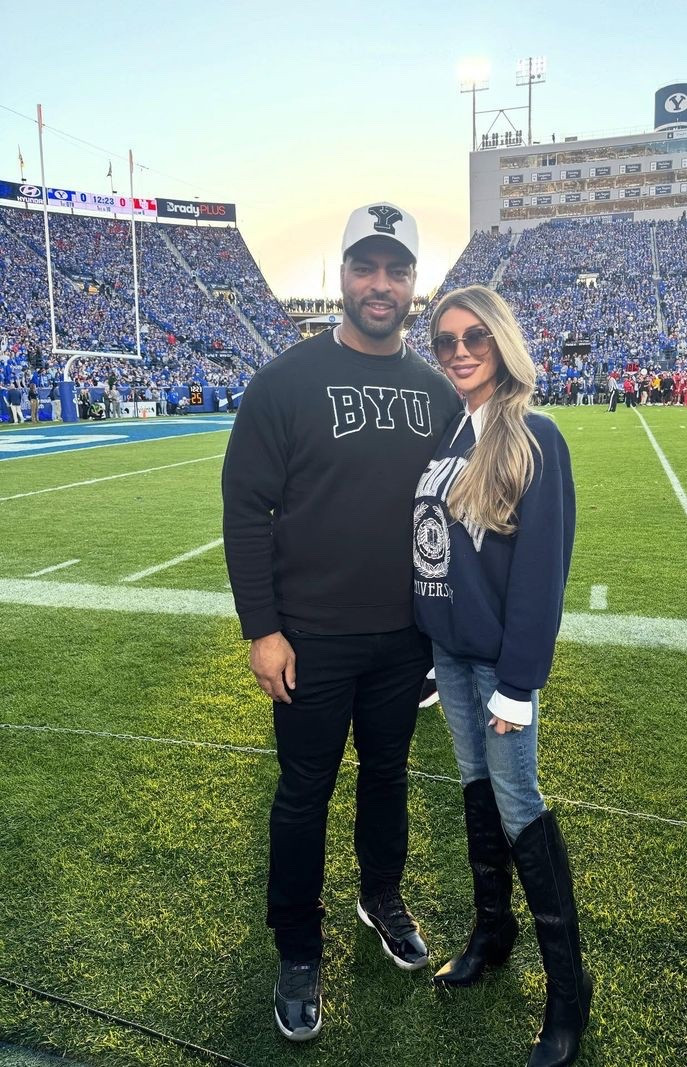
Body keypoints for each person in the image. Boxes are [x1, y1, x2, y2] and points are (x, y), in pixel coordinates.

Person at [222, 202, 462, 1043]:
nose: (381, 285)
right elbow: (247, 508)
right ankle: (296, 944)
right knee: (302, 794)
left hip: (403, 639)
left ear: (414, 284)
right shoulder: (284, 381)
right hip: (310, 637)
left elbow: (455, 520)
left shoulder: (437, 392)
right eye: (367, 266)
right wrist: (264, 627)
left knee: (387, 776)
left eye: (397, 270)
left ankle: (380, 893)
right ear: (342, 274)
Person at [413, 285, 591, 1067]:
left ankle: (567, 987)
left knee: (519, 802)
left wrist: (518, 683)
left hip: (497, 666)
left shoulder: (534, 436)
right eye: (445, 338)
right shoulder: (453, 433)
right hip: (448, 656)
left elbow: (542, 573)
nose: (458, 350)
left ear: (503, 342)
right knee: (475, 789)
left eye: (474, 337)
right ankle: (493, 929)